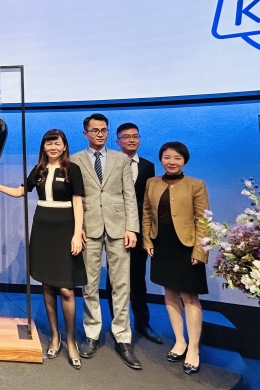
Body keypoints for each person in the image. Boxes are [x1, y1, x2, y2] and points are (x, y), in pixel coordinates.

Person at [0, 129, 86, 369]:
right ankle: (55, 336)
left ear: (64, 146)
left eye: (57, 143)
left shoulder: (72, 169)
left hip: (65, 229)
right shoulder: (39, 170)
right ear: (44, 147)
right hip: (42, 229)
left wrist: (76, 233)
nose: (53, 147)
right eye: (49, 144)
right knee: (47, 285)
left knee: (66, 289)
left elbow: (78, 203)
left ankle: (71, 341)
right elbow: (20, 192)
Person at [71, 113, 142, 370]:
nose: (100, 134)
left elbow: (129, 195)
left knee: (121, 284)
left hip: (118, 227)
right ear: (85, 133)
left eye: (103, 130)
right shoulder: (75, 159)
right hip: (88, 228)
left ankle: (123, 337)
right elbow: (74, 198)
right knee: (89, 284)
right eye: (95, 130)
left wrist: (132, 228)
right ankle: (92, 333)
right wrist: (76, 229)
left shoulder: (120, 159)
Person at [142, 141, 210, 375]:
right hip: (161, 244)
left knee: (190, 297)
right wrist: (147, 241)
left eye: (177, 158)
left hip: (187, 246)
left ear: (185, 161)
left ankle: (194, 348)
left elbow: (204, 220)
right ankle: (180, 341)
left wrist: (200, 250)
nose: (171, 162)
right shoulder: (152, 183)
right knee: (169, 292)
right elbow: (146, 214)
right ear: (161, 159)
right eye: (167, 157)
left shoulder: (196, 185)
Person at [106, 122, 163, 344]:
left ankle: (142, 323)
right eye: (126, 136)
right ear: (117, 141)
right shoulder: (109, 163)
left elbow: (147, 201)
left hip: (137, 229)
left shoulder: (148, 166)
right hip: (113, 227)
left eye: (135, 136)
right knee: (114, 279)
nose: (131, 140)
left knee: (138, 278)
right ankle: (117, 324)